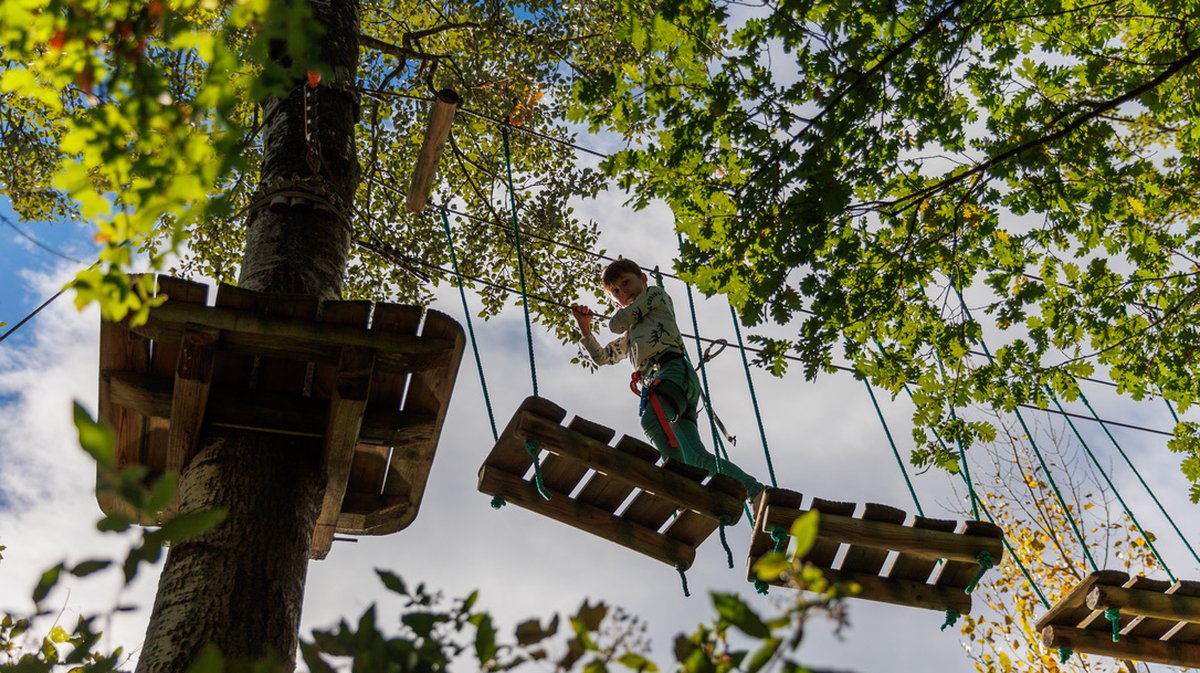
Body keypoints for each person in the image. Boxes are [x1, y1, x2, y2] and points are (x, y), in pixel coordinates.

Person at [571, 258, 764, 500]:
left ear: (642, 279)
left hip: (672, 372)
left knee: (650, 422)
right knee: (696, 457)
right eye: (616, 292)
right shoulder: (631, 336)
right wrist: (585, 328)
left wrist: (617, 315)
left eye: (626, 282)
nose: (623, 292)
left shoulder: (655, 296)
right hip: (669, 385)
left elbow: (616, 323)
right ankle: (755, 492)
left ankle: (678, 484)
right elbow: (602, 357)